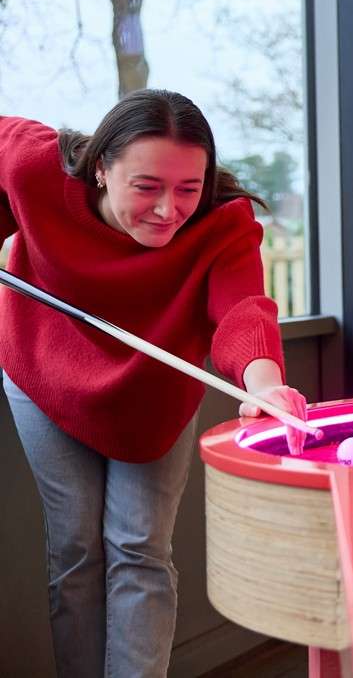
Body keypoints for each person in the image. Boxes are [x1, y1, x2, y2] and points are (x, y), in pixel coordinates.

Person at [0, 89, 308, 677]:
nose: (169, 209)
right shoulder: (33, 165)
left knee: (139, 549)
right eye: (146, 187)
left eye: (188, 189)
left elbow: (244, 309)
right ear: (100, 168)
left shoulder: (223, 223)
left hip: (153, 392)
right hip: (43, 371)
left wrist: (265, 385)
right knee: (74, 551)